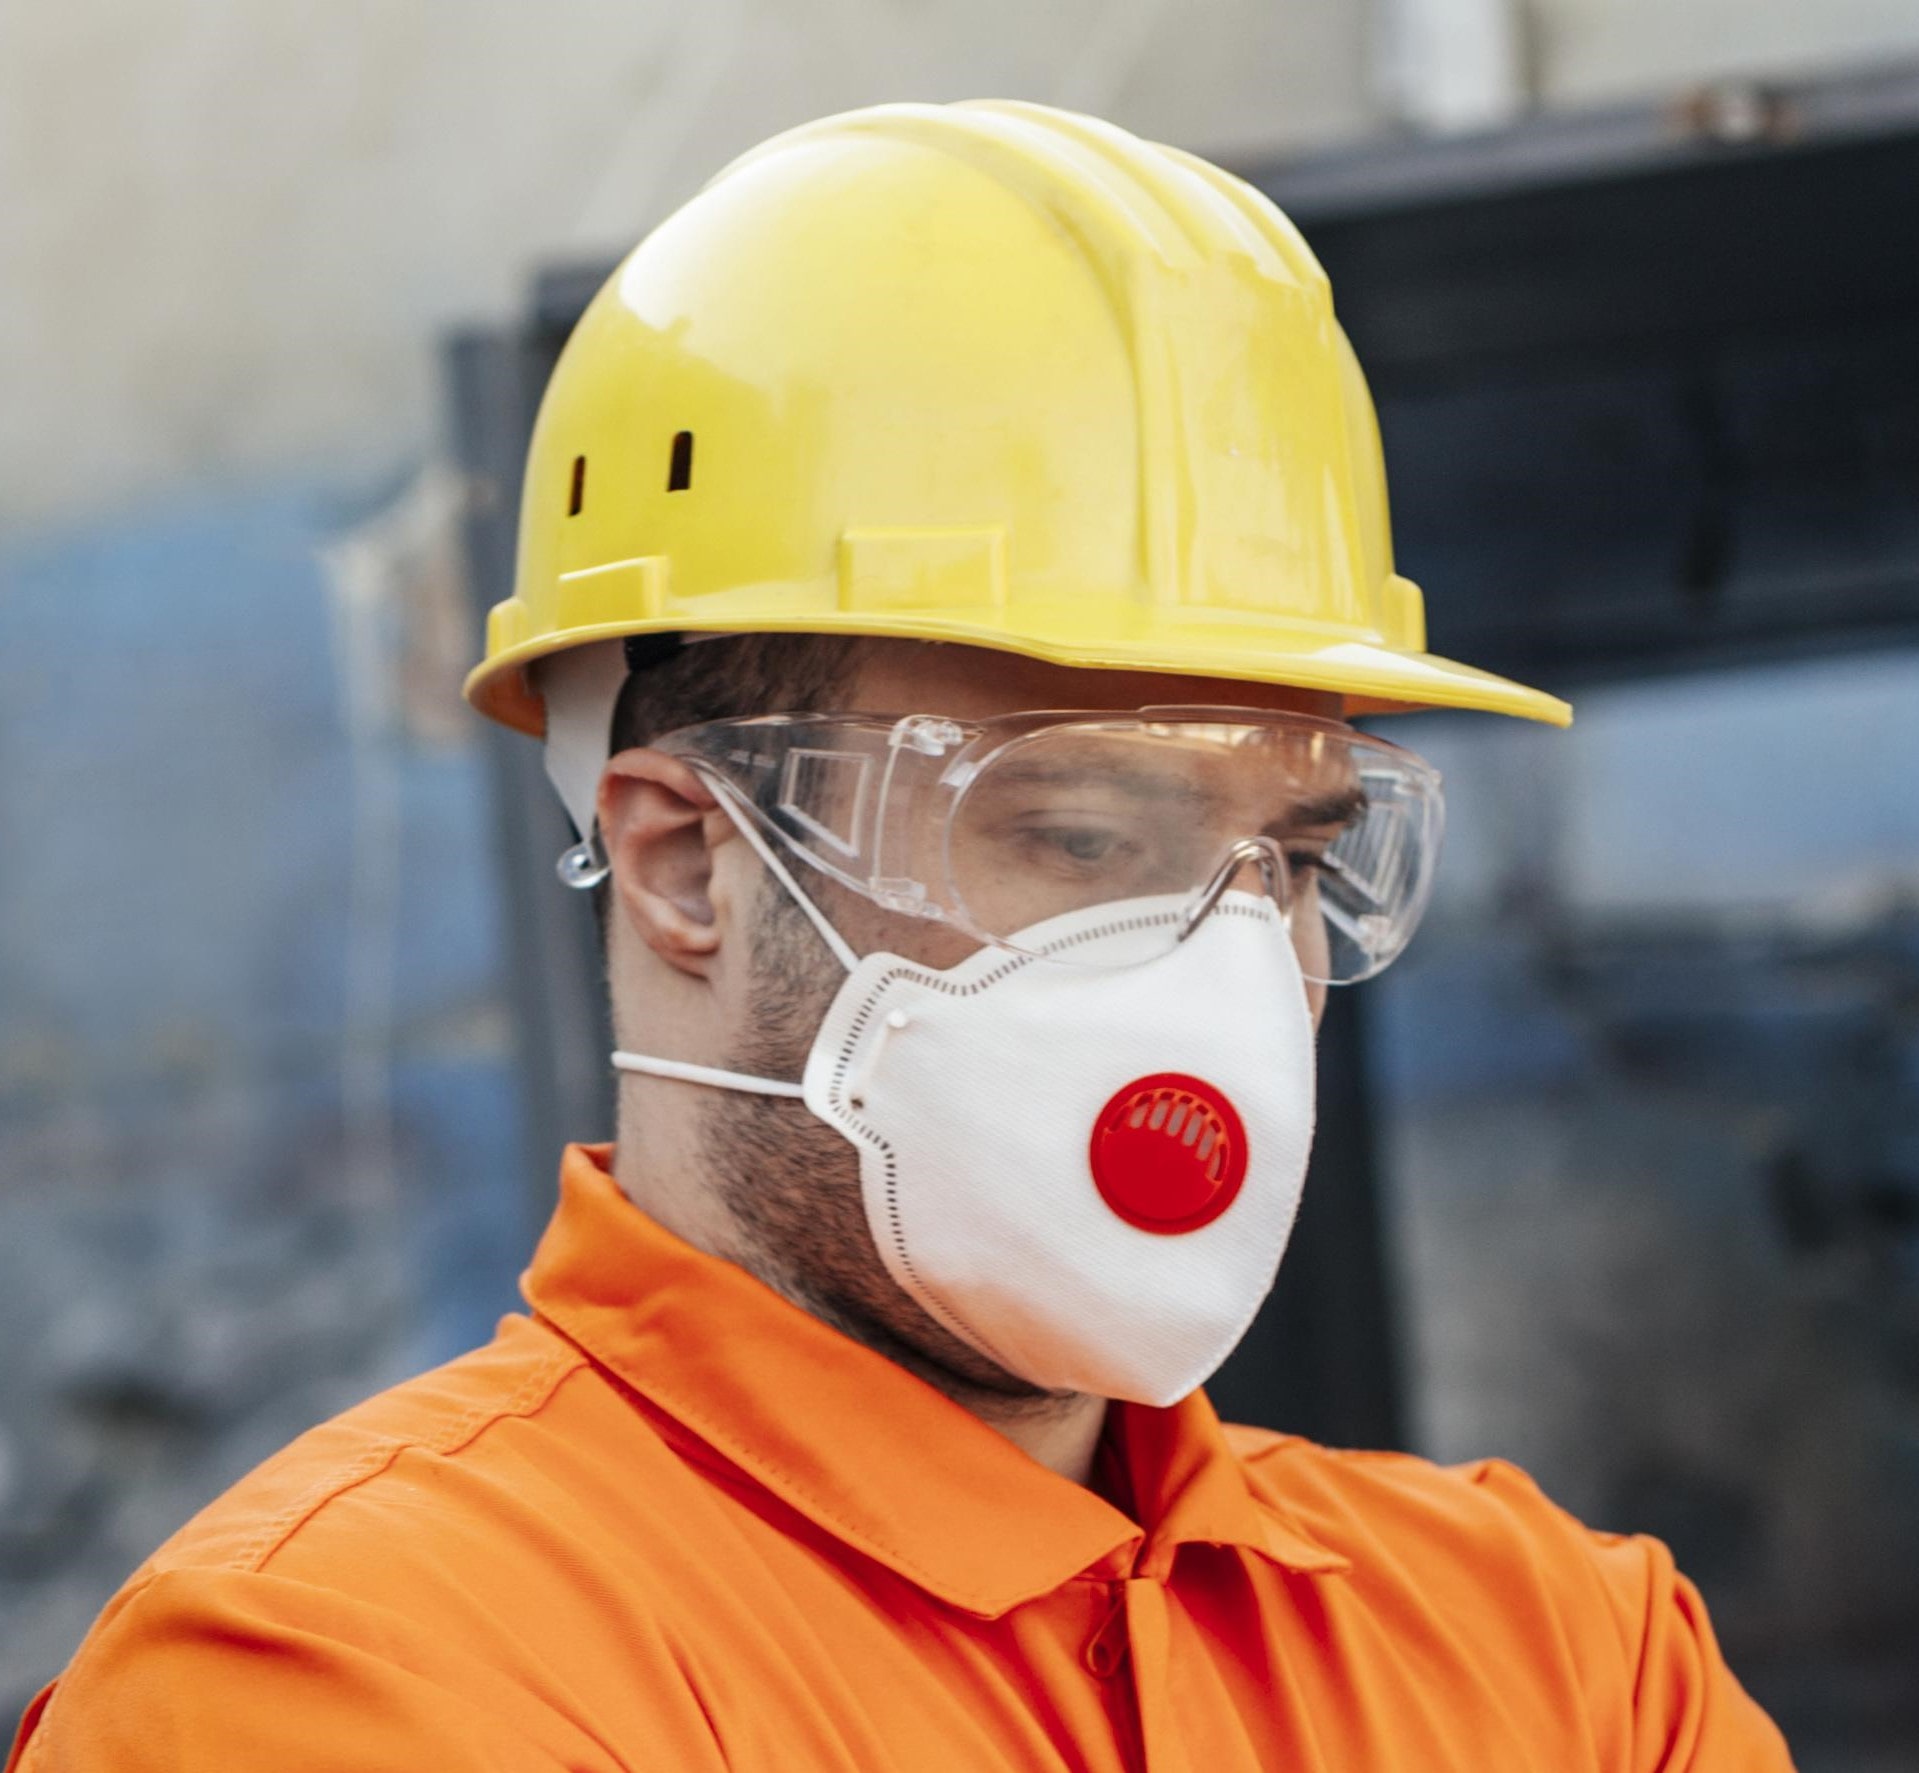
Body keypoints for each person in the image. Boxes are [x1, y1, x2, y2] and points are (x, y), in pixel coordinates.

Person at [8, 100, 1793, 1770]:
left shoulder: (1561, 1656)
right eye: (1087, 834)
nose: (1232, 965)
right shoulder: (349, 1680)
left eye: (1300, 852)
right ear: (688, 865)